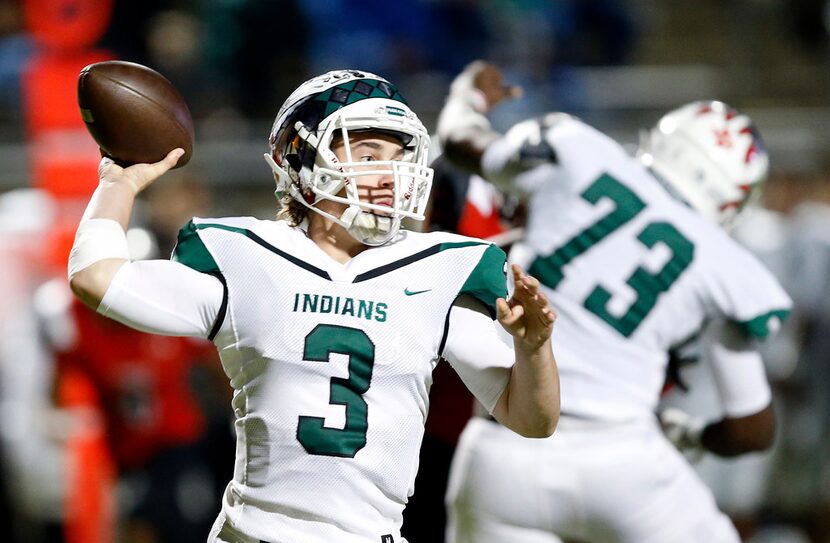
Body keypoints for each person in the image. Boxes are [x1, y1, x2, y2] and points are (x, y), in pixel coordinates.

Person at [66, 69, 560, 543]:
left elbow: (534, 421)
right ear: (302, 159)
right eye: (368, 152)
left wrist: (534, 348)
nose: (390, 172)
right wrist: (118, 183)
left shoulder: (440, 269)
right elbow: (97, 277)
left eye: (399, 154)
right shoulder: (247, 255)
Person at [436, 60, 792, 543]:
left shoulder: (578, 149)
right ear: (734, 197)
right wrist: (690, 436)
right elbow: (753, 430)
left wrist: (468, 95)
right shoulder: (726, 263)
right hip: (622, 458)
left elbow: (459, 140)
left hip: (501, 450)